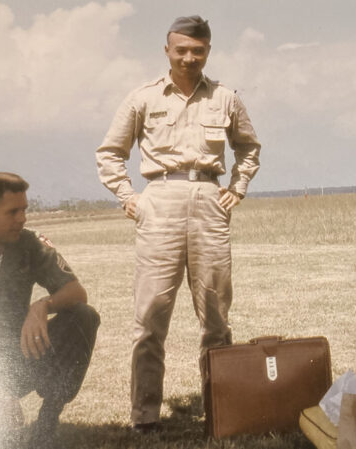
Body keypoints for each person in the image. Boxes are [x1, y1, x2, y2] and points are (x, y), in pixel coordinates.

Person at [96, 15, 261, 432]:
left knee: (216, 315)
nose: (189, 58)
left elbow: (249, 148)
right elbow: (110, 153)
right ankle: (145, 415)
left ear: (208, 51)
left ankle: (219, 410)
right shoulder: (142, 98)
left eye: (198, 50)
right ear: (167, 50)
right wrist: (129, 198)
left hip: (209, 198)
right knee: (150, 315)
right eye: (181, 50)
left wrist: (237, 188)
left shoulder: (226, 97)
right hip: (160, 200)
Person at [0, 172, 100, 449]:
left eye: (24, 209)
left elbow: (77, 292)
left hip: (20, 357)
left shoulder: (29, 244)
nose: (22, 218)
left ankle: (47, 423)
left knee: (83, 317)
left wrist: (42, 305)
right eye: (13, 211)